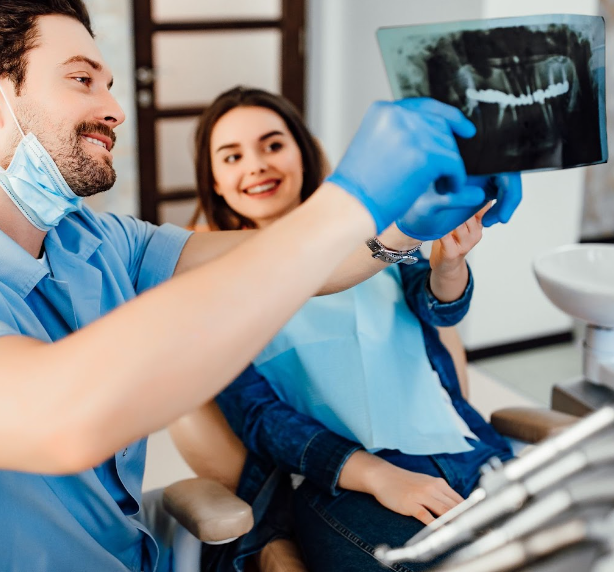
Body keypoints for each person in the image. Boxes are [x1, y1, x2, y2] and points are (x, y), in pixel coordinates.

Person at [0, 0, 493, 572]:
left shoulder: (99, 243)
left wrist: (406, 224)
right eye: (82, 79)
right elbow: (64, 419)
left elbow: (300, 265)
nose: (113, 108)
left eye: (108, 84)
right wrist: (350, 199)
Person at [189, 86, 522, 572]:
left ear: (302, 154)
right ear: (215, 181)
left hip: (465, 451)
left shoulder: (375, 232)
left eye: (272, 145)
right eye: (232, 156)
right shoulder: (208, 283)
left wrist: (449, 264)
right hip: (347, 485)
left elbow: (437, 310)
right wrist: (379, 476)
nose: (256, 165)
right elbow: (261, 419)